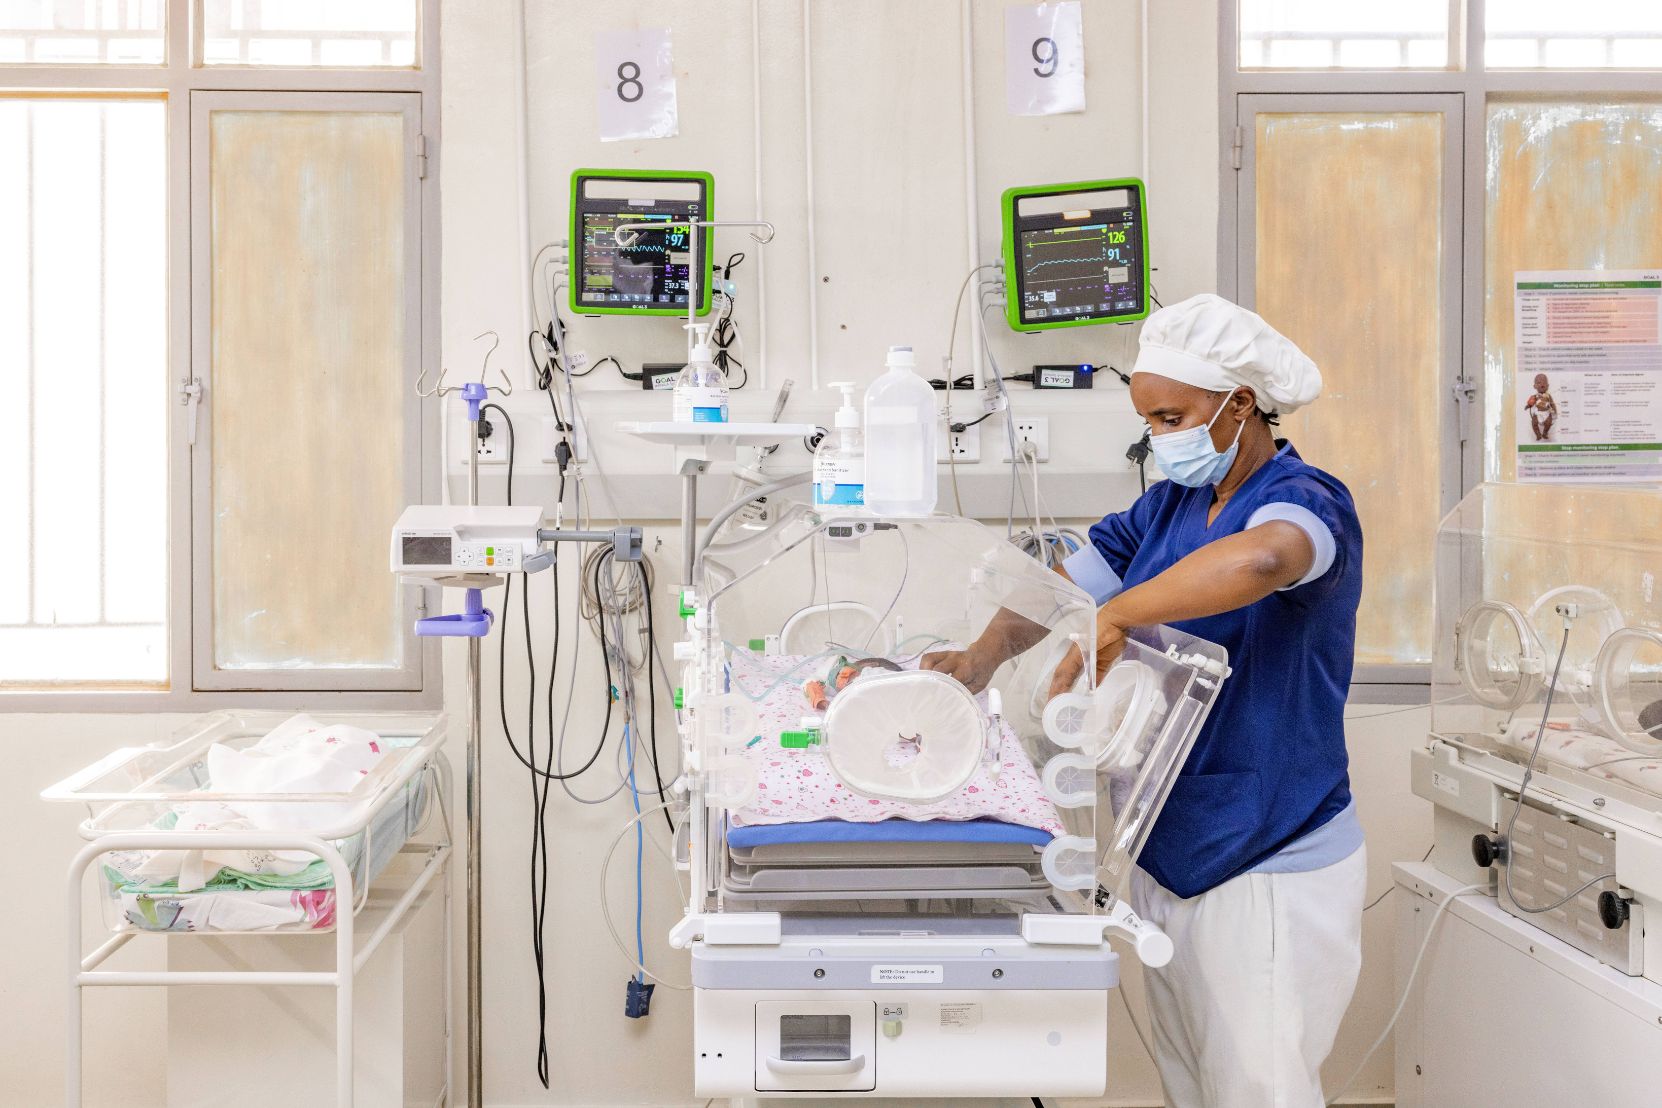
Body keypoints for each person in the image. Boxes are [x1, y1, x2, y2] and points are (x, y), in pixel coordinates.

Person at [925, 293, 1365, 1108]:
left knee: (1259, 1090)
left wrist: (1120, 615)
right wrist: (982, 658)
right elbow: (1067, 583)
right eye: (1151, 423)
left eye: (1172, 417)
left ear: (1239, 404)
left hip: (1267, 853)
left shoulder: (1306, 500)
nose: (1160, 439)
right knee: (1191, 1085)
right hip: (1168, 844)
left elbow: (1265, 559)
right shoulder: (1167, 507)